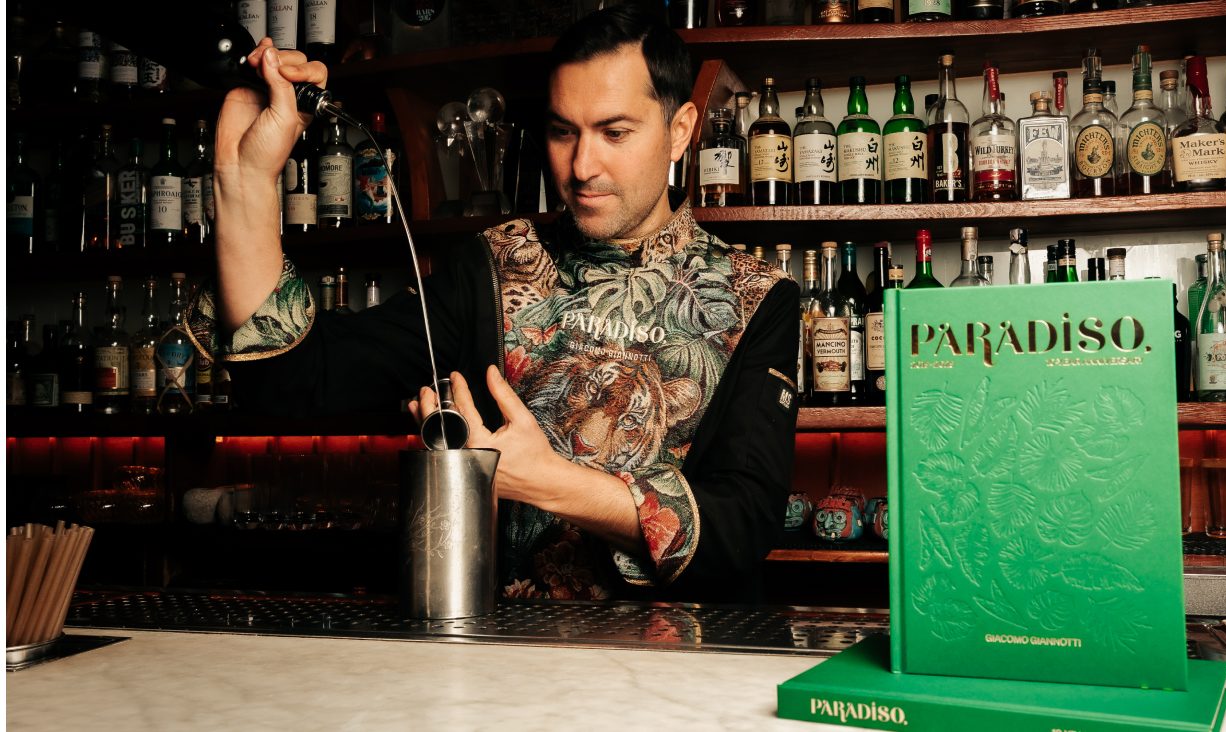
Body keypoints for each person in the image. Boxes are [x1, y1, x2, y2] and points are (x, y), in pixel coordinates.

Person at [188, 6, 800, 602]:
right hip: (497, 647)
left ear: (680, 131)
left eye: (615, 133)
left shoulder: (754, 295)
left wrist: (553, 484)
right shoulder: (494, 263)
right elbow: (293, 381)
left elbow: (742, 525)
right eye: (563, 132)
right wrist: (245, 180)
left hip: (677, 653)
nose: (582, 166)